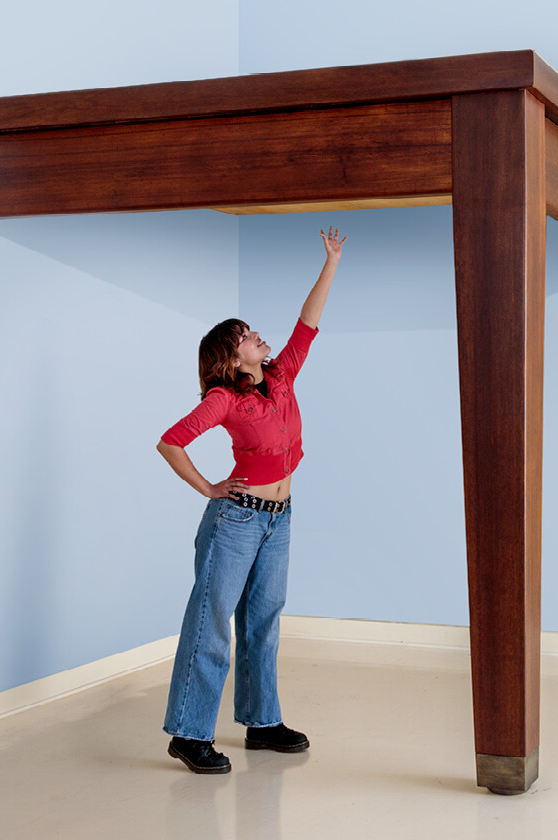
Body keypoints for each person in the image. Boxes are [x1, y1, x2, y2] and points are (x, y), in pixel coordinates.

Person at [155, 226, 345, 774]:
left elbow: (307, 324)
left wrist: (330, 261)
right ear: (231, 356)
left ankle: (261, 722)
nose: (258, 336)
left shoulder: (281, 377)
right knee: (211, 622)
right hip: (235, 522)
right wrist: (211, 488)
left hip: (278, 520)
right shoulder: (222, 400)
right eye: (246, 335)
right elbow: (171, 441)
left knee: (264, 620)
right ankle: (189, 734)